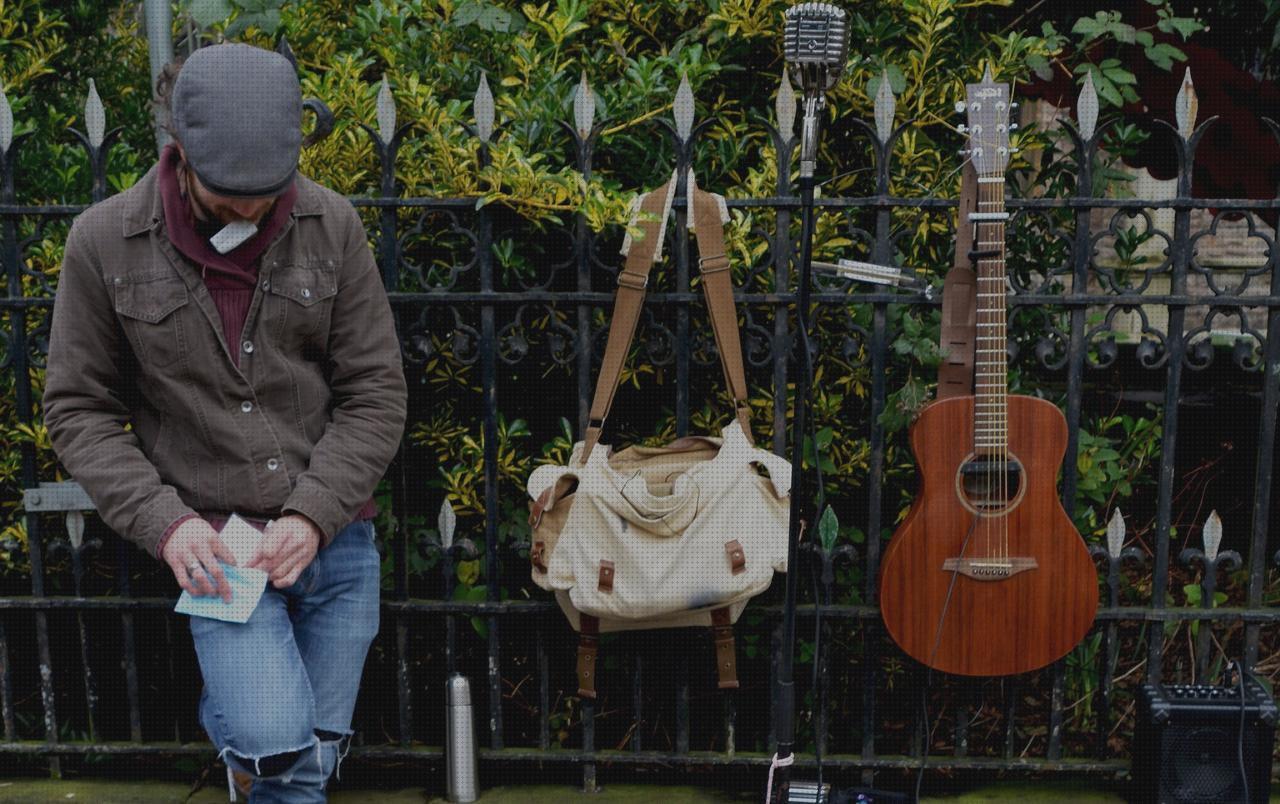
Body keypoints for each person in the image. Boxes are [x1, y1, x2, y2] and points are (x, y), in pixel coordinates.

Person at [43, 43, 406, 802]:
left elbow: (376, 392)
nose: (252, 207)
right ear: (178, 151)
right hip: (215, 553)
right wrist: (166, 525)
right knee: (282, 756)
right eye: (230, 191)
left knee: (315, 756)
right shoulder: (103, 242)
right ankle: (249, 737)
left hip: (334, 539)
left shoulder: (332, 224)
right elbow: (77, 410)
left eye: (268, 190)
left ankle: (248, 737)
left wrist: (312, 515)